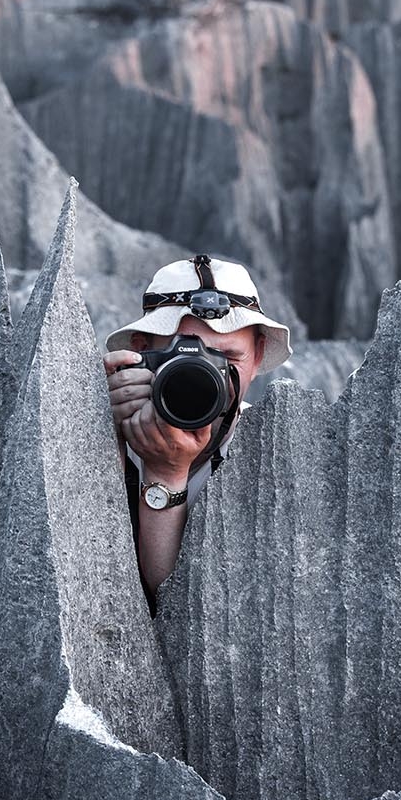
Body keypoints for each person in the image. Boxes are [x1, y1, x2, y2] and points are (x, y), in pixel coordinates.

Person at [101, 255, 292, 611]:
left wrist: (166, 471)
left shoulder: (272, 448)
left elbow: (188, 614)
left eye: (227, 359)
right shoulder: (106, 422)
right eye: (185, 357)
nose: (205, 376)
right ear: (142, 352)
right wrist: (98, 433)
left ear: (257, 356)